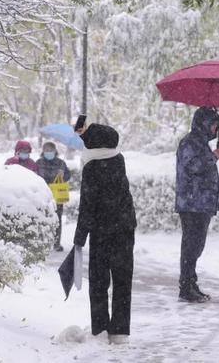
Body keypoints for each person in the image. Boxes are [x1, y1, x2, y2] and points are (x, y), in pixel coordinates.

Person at [73, 123, 136, 345]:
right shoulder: (119, 159)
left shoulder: (92, 167)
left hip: (102, 231)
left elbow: (87, 205)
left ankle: (100, 328)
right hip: (125, 229)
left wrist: (79, 237)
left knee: (99, 281)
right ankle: (119, 332)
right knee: (122, 279)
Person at [175, 106, 219, 303]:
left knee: (196, 245)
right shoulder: (190, 142)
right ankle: (185, 287)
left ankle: (191, 283)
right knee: (191, 245)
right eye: (213, 125)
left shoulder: (200, 143)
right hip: (192, 204)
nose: (215, 129)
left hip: (200, 204)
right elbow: (194, 166)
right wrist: (213, 157)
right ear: (203, 124)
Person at [36, 142, 71, 252]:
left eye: (50, 150)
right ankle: (41, 242)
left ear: (55, 151)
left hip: (57, 196)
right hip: (42, 195)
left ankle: (56, 243)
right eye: (46, 150)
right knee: (41, 219)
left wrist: (63, 174)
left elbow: (68, 176)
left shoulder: (61, 163)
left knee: (57, 220)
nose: (48, 152)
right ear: (43, 151)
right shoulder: (38, 163)